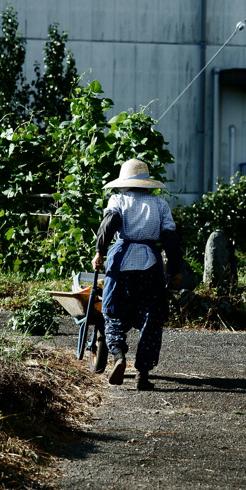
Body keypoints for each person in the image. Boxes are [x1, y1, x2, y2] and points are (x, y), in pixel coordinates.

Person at [92, 159, 182, 391]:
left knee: (113, 312)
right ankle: (142, 373)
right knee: (151, 316)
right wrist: (176, 268)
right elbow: (170, 237)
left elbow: (109, 224)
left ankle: (119, 356)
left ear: (123, 183)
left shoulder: (118, 200)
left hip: (121, 262)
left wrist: (99, 253)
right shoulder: (159, 204)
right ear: (146, 184)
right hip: (150, 264)